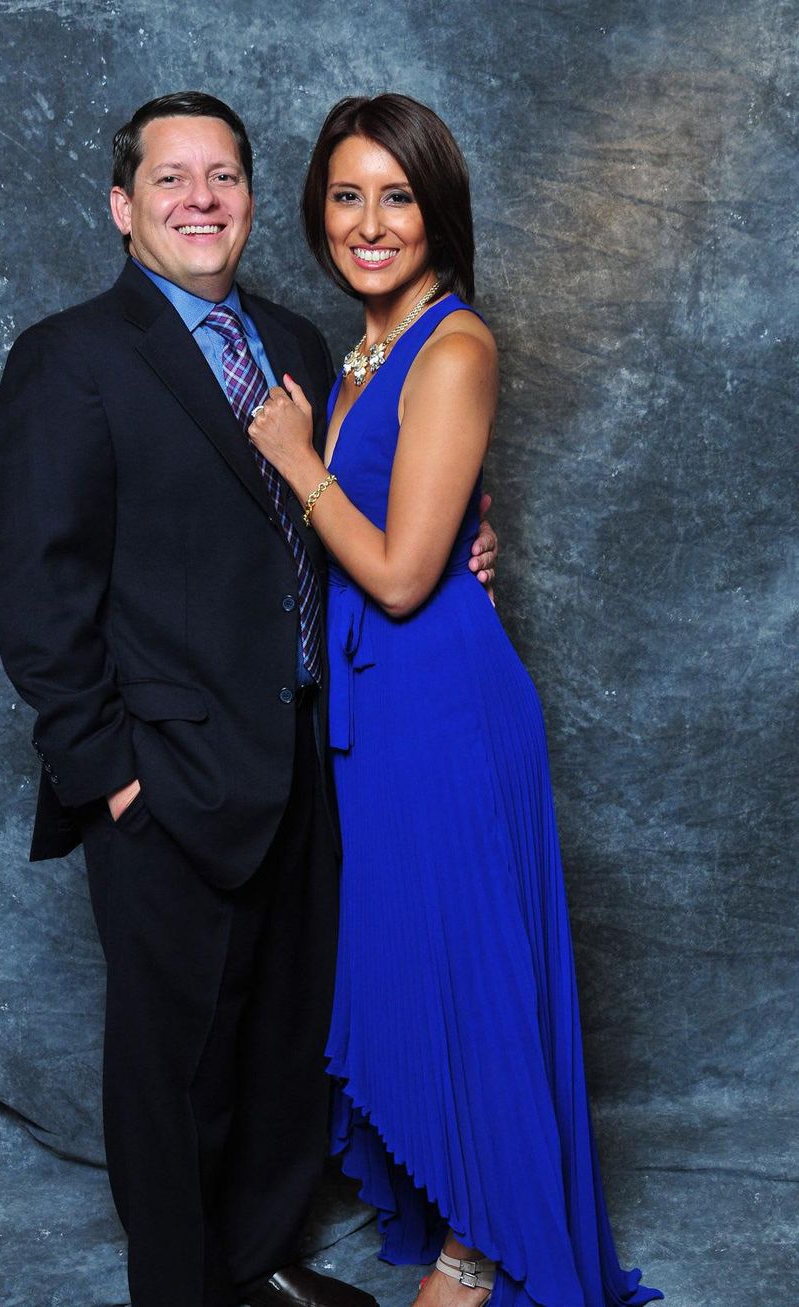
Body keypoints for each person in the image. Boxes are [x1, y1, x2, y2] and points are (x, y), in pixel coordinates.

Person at [0, 91, 498, 1307]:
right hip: (164, 779)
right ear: (123, 208)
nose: (200, 198)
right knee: (172, 1065)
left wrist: (464, 542)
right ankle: (181, 1287)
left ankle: (260, 1261)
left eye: (222, 175)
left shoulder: (295, 343)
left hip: (310, 763)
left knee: (281, 1042)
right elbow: (37, 594)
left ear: (253, 201)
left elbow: (351, 517)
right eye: (170, 179)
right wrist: (109, 774)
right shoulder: (70, 358)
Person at [248, 94, 664, 1307]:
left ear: (437, 212)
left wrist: (299, 461)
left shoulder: (454, 346)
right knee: (416, 964)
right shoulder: (360, 352)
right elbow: (409, 527)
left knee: (466, 969)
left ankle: (475, 1256)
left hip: (440, 714)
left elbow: (396, 573)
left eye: (397, 196)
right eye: (346, 195)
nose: (369, 222)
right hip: (378, 714)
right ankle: (460, 1219)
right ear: (318, 212)